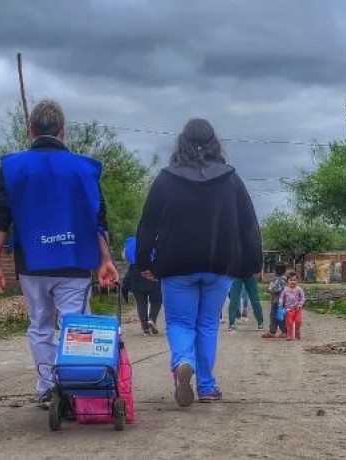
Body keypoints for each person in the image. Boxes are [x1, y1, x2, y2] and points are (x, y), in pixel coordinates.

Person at [0, 99, 119, 409]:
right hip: (74, 260)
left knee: (40, 325)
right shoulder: (85, 168)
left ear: (30, 130)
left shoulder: (12, 167)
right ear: (63, 132)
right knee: (76, 325)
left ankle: (48, 388)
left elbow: (0, 218)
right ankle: (75, 388)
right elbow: (97, 219)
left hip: (31, 262)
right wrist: (106, 260)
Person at [136, 118, 261, 407]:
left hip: (176, 265)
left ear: (181, 143)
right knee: (207, 324)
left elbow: (147, 224)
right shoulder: (231, 178)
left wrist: (144, 261)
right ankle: (206, 386)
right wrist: (253, 261)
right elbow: (248, 225)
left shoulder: (166, 178)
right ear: (215, 143)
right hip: (219, 263)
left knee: (180, 321)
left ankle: (182, 362)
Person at [123, 236, 163, 335]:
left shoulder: (131, 242)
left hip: (136, 272)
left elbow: (125, 257)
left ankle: (145, 327)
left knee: (141, 301)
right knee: (156, 300)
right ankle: (152, 319)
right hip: (152, 271)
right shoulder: (155, 240)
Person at [263, 263, 288, 338]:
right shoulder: (284, 279)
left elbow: (274, 289)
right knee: (278, 317)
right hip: (280, 302)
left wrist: (269, 289)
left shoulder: (279, 279)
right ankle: (276, 331)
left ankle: (282, 331)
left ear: (275, 271)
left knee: (277, 317)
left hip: (278, 302)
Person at [280, 272, 306, 341]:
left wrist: (300, 305)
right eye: (291, 280)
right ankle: (289, 335)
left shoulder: (299, 289)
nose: (293, 282)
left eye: (294, 280)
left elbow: (303, 298)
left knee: (298, 321)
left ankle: (297, 332)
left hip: (297, 309)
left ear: (297, 281)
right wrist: (280, 303)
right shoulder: (285, 289)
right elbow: (281, 297)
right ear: (287, 281)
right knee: (289, 323)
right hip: (288, 309)